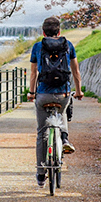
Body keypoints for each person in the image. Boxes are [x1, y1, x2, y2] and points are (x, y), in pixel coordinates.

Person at [27, 16, 83, 188]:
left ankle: (41, 174)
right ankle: (64, 139)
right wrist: (79, 91)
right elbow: (75, 72)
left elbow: (34, 74)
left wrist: (31, 93)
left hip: (43, 95)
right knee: (64, 111)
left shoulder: (37, 46)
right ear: (59, 32)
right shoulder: (68, 45)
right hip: (63, 93)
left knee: (41, 133)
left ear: (43, 32)